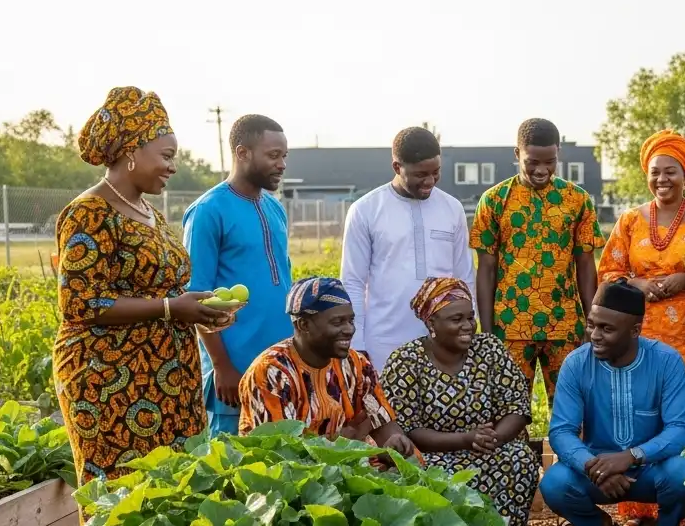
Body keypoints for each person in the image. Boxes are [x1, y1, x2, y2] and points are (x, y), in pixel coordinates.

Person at [55, 86, 232, 483]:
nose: (173, 167)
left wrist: (201, 311)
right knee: (122, 492)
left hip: (170, 376)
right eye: (166, 156)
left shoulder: (149, 212)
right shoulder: (89, 213)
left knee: (176, 489)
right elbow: (80, 303)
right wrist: (171, 308)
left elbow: (163, 290)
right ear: (132, 150)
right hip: (108, 381)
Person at [597, 129, 685, 526]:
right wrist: (637, 284)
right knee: (641, 411)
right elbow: (609, 273)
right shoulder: (630, 221)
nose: (662, 179)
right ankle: (639, 504)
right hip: (642, 338)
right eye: (655, 171)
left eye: (670, 171)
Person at [540, 281, 685, 526]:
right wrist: (593, 466)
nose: (594, 335)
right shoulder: (576, 364)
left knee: (683, 474)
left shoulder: (666, 361)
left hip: (651, 468)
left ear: (635, 331)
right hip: (597, 470)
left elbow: (681, 429)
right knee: (554, 484)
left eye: (606, 329)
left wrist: (631, 456)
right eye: (592, 325)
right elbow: (562, 431)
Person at [379, 278, 540, 526]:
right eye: (456, 319)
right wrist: (465, 439)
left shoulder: (489, 348)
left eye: (470, 317)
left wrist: (493, 439)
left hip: (490, 448)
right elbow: (407, 429)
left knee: (520, 458)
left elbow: (517, 407)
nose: (467, 326)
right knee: (412, 472)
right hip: (433, 454)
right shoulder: (405, 361)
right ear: (431, 323)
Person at [470, 118, 602, 396]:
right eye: (532, 162)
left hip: (565, 325)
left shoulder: (577, 200)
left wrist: (593, 321)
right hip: (510, 326)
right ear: (517, 154)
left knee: (570, 405)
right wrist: (487, 331)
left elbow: (586, 264)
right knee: (511, 407)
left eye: (550, 162)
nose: (541, 170)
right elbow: (486, 269)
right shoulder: (494, 200)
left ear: (558, 154)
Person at [183, 115, 294, 435]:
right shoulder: (208, 211)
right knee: (232, 459)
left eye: (284, 156)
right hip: (234, 370)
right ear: (242, 153)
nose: (282, 164)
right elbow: (196, 297)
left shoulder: (274, 208)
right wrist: (221, 366)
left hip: (280, 365)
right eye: (273, 155)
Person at [341, 127, 475, 371]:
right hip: (384, 341)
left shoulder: (452, 208)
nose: (429, 181)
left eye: (436, 172)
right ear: (397, 167)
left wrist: (467, 331)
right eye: (420, 174)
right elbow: (353, 282)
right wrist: (357, 343)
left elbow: (464, 276)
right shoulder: (366, 210)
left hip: (444, 340)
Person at [238, 277, 415, 460]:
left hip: (352, 466)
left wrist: (394, 442)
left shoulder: (357, 365)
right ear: (304, 325)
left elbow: (383, 423)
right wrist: (335, 446)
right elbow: (276, 455)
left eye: (351, 320)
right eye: (338, 322)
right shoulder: (272, 372)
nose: (349, 330)